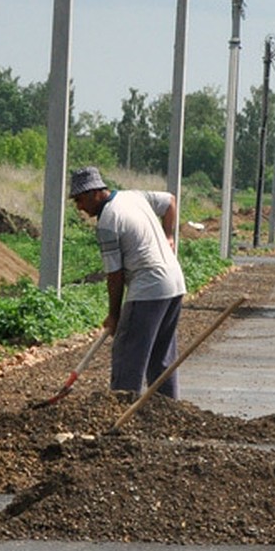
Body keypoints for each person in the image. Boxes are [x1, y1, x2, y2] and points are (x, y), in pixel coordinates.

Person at [69, 166, 186, 400]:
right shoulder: (132, 196)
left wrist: (114, 315)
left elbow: (115, 276)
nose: (79, 207)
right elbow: (170, 201)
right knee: (161, 357)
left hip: (148, 289)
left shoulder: (108, 223)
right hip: (174, 284)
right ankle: (166, 412)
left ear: (95, 193)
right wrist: (169, 235)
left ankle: (120, 411)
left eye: (80, 200)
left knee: (127, 356)